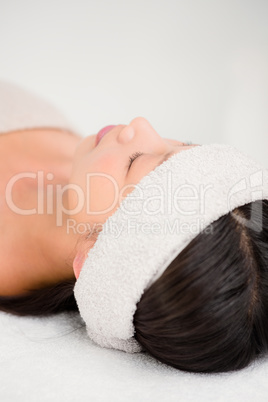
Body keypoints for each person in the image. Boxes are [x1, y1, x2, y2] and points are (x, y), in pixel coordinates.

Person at [0, 80, 267, 374]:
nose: (141, 125)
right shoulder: (68, 143)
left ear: (92, 258)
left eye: (135, 162)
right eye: (184, 143)